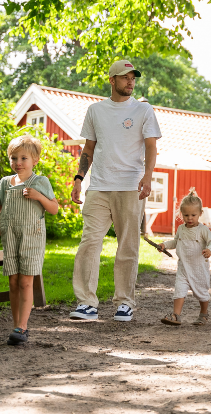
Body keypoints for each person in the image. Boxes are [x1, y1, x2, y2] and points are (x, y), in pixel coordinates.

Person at [69, 59, 161, 323]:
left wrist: (147, 176)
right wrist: (79, 178)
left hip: (130, 186)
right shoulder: (95, 110)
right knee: (89, 242)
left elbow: (151, 146)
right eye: (124, 77)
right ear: (112, 80)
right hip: (99, 186)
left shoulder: (144, 110)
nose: (130, 82)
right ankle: (87, 303)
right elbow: (88, 149)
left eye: (133, 78)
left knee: (127, 246)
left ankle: (124, 302)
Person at [0, 135, 59, 346]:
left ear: (35, 160)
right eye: (14, 158)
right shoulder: (5, 183)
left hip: (32, 237)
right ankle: (16, 326)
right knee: (13, 281)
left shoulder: (40, 182)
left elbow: (54, 208)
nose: (18, 162)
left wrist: (39, 196)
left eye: (23, 158)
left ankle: (23, 326)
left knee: (25, 281)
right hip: (10, 237)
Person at [159, 188, 211, 327]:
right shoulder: (181, 229)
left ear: (200, 213)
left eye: (193, 215)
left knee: (202, 292)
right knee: (179, 290)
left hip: (199, 268)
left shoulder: (203, 230)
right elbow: (175, 242)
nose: (189, 218)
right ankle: (176, 315)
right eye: (186, 215)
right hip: (183, 268)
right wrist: (164, 245)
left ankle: (203, 314)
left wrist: (209, 249)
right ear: (181, 214)